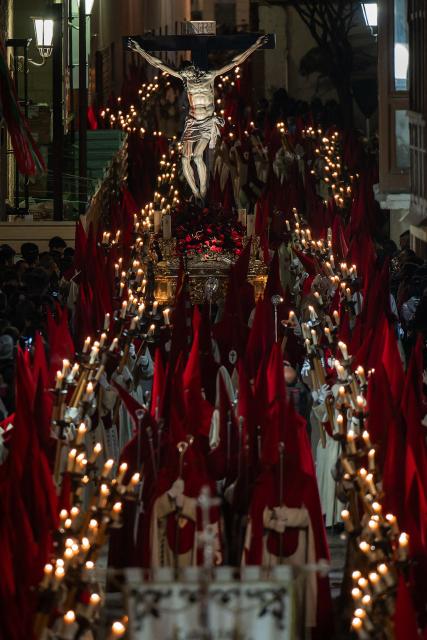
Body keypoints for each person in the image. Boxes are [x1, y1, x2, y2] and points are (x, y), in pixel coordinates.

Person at [130, 35, 268, 200]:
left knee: (197, 156)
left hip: (206, 123)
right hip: (193, 122)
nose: (184, 75)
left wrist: (254, 46)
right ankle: (196, 193)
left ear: (193, 68)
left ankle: (202, 191)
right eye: (183, 74)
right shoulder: (185, 79)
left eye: (186, 71)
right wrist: (139, 50)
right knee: (184, 160)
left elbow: (234, 63)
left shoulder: (209, 75)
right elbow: (158, 64)